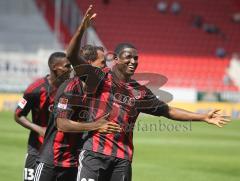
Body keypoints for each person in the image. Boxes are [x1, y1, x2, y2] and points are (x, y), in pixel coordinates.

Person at [66, 6, 230, 181]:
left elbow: (168, 111)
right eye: (128, 57)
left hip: (122, 159)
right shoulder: (98, 77)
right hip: (94, 154)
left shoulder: (140, 91)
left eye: (136, 58)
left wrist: (202, 117)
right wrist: (81, 29)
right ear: (115, 60)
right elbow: (71, 55)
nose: (133, 61)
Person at [14, 52, 72, 181]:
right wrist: (39, 129)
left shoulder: (72, 88)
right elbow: (18, 115)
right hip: (37, 148)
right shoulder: (35, 89)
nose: (70, 69)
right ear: (54, 67)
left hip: (64, 152)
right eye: (67, 66)